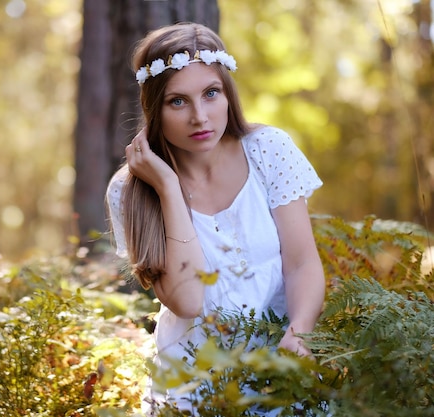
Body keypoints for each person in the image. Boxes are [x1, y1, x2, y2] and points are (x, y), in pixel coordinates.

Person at [105, 22, 326, 415]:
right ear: (154, 108)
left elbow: (302, 262)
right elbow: (188, 301)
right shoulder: (131, 191)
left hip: (283, 364)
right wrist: (168, 189)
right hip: (194, 387)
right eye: (178, 101)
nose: (199, 117)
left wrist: (299, 332)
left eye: (211, 94)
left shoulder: (268, 151)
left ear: (228, 93)